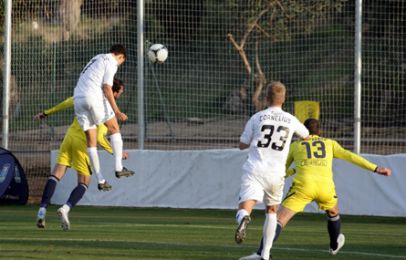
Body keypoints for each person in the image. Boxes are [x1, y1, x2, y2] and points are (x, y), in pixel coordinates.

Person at [239, 118, 392, 260]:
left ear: (302, 132)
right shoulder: (330, 143)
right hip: (325, 187)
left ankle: (261, 253)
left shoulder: (295, 145)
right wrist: (376, 168)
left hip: (304, 186)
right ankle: (334, 245)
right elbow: (351, 156)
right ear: (320, 132)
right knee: (333, 212)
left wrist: (291, 172)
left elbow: (281, 171)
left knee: (279, 220)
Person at [35, 79, 130, 231]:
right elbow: (99, 138)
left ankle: (42, 209)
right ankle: (65, 208)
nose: (120, 95)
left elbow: (67, 102)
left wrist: (46, 113)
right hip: (83, 145)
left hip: (69, 138)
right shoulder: (106, 109)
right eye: (119, 93)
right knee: (84, 182)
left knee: (56, 175)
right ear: (113, 92)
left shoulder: (88, 95)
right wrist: (116, 152)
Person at [235, 81, 309, 260]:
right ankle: (265, 255)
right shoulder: (290, 119)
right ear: (284, 99)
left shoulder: (257, 117)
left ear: (266, 98)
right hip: (276, 173)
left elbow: (242, 144)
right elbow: (306, 135)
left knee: (246, 204)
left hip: (256, 168)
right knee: (271, 211)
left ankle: (244, 218)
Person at [73, 44, 134, 197]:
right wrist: (117, 111)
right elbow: (107, 87)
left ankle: (101, 180)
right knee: (114, 128)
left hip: (78, 99)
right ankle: (119, 168)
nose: (120, 64)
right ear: (121, 57)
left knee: (91, 142)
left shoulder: (96, 58)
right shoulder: (111, 62)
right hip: (93, 97)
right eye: (122, 62)